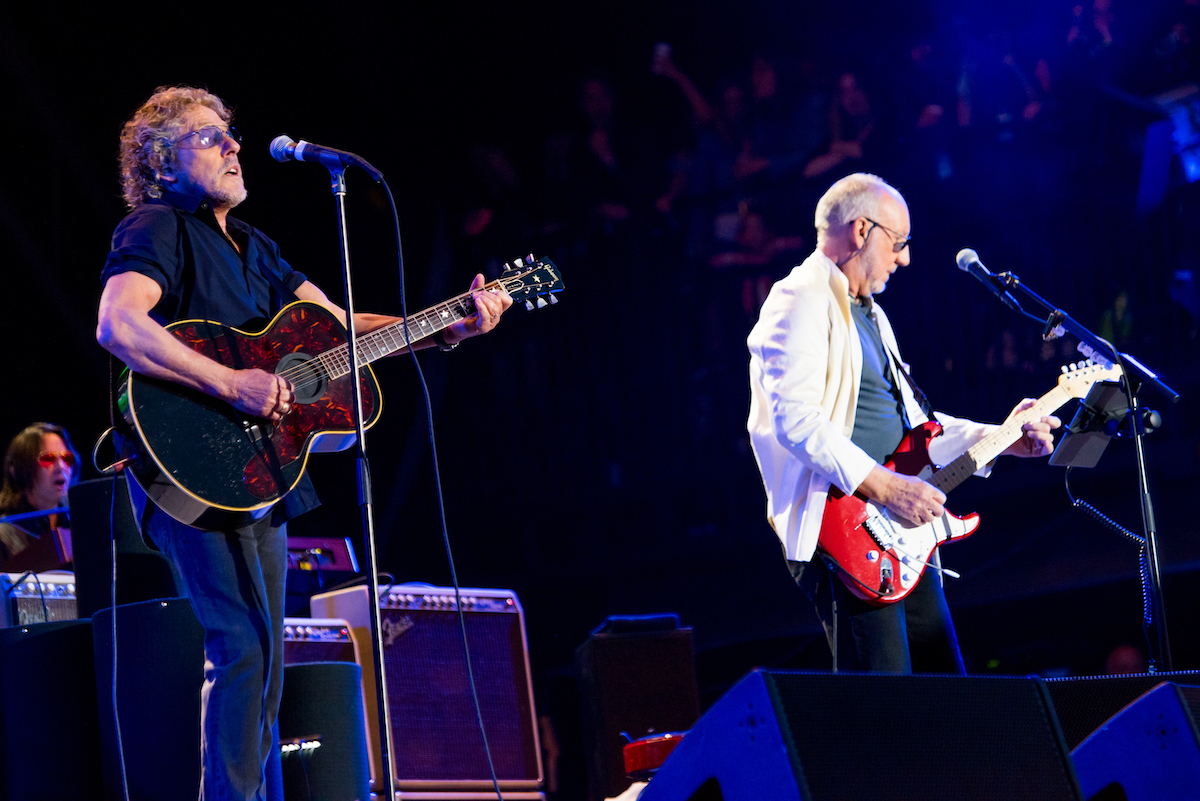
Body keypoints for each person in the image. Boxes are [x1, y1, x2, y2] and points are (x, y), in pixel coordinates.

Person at [95, 85, 512, 801]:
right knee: (243, 647)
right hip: (191, 459)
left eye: (230, 132)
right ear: (162, 165)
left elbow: (339, 326)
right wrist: (233, 383)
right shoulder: (156, 226)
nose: (231, 145)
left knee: (264, 654)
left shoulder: (256, 246)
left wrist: (447, 324)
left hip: (259, 467)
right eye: (207, 137)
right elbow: (119, 324)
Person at [746, 173, 1059, 674]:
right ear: (862, 229)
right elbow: (796, 420)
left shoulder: (871, 314)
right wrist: (889, 488)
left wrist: (1001, 439)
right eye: (899, 242)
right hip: (846, 532)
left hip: (893, 532)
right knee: (889, 710)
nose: (905, 258)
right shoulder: (799, 297)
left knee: (943, 692)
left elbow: (919, 428)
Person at [0, 422, 79, 570]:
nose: (61, 467)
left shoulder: (80, 528)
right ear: (18, 471)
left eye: (66, 458)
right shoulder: (3, 536)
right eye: (48, 459)